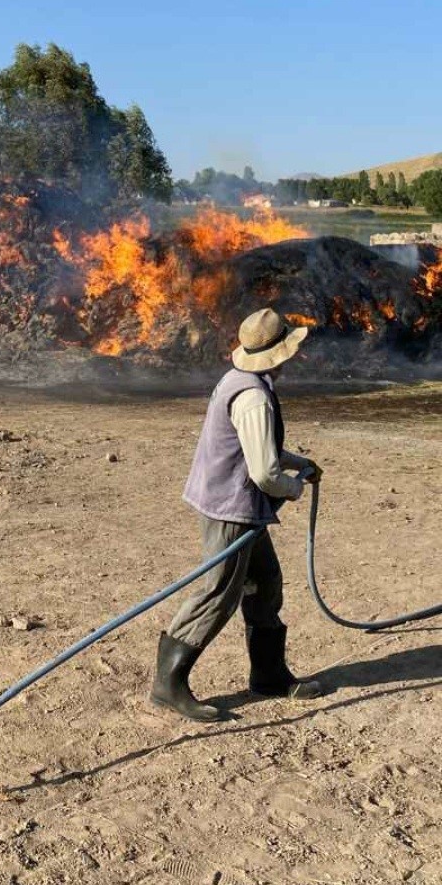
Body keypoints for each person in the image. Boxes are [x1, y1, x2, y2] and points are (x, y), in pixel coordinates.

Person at [151, 307, 324, 722]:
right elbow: (264, 473)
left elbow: (258, 447)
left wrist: (299, 462)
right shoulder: (253, 397)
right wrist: (293, 487)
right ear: (278, 354)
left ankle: (269, 676)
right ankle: (168, 685)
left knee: (265, 583)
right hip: (231, 508)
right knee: (219, 592)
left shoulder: (238, 381)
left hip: (239, 505)